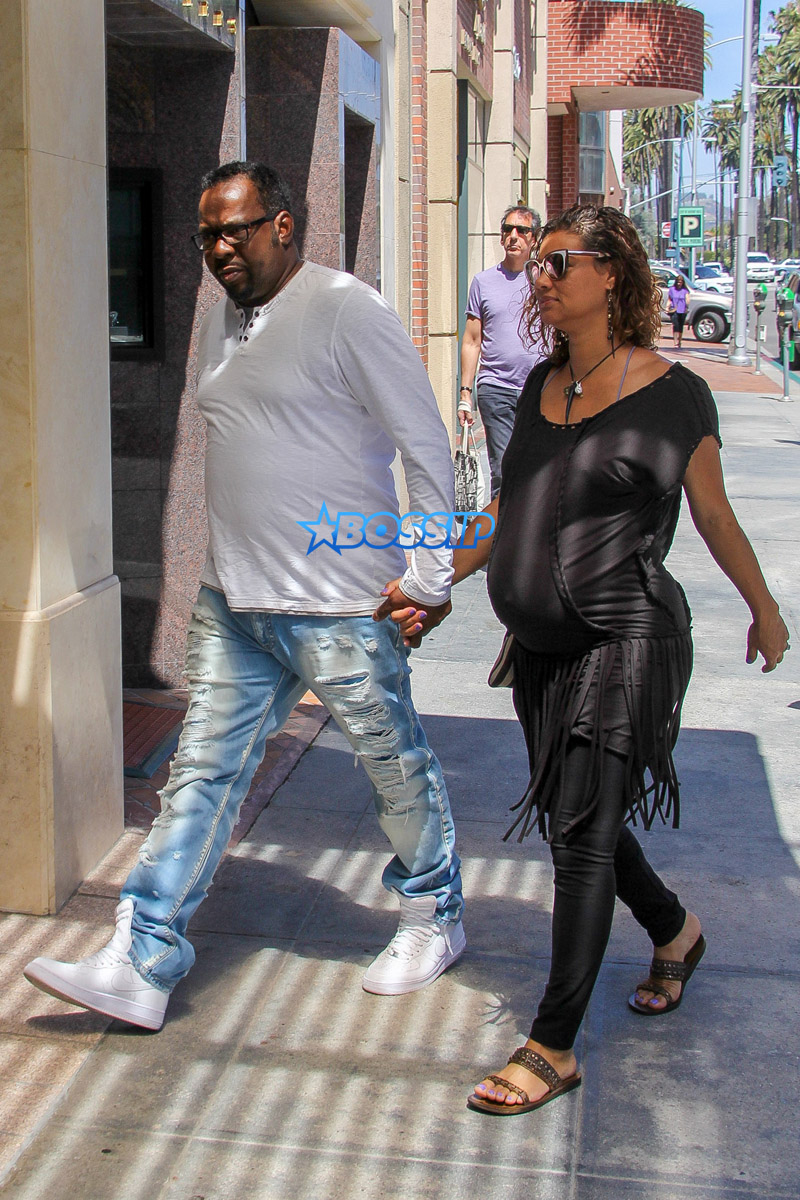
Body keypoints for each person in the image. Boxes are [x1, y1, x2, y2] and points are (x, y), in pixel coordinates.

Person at [24, 161, 465, 1031]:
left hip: (341, 602)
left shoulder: (346, 308)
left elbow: (424, 444)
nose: (219, 248)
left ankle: (433, 912)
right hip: (234, 601)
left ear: (284, 224)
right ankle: (142, 956)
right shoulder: (222, 320)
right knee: (200, 775)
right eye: (206, 237)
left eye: (235, 229)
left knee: (392, 766)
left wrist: (429, 574)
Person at [377, 205, 789, 1116]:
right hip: (542, 653)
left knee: (581, 839)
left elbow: (714, 515)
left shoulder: (676, 395)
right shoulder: (541, 386)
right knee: (580, 824)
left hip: (628, 638)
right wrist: (436, 586)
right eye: (541, 264)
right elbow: (505, 512)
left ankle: (554, 1044)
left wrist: (764, 609)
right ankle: (675, 930)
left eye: (562, 261)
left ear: (613, 274)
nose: (543, 276)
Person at [458, 206, 544, 497]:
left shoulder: (546, 282)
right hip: (496, 389)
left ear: (534, 238)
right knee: (504, 471)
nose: (513, 236)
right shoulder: (483, 282)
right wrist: (465, 394)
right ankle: (503, 526)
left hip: (540, 388)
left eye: (522, 230)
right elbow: (472, 340)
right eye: (508, 229)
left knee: (538, 469)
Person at [667, 273, 689, 348]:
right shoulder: (672, 289)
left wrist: (687, 306)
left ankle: (679, 341)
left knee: (680, 326)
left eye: (680, 282)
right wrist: (667, 307)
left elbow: (687, 299)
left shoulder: (685, 291)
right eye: (678, 282)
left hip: (682, 310)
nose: (679, 284)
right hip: (674, 310)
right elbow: (669, 299)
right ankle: (675, 342)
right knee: (675, 325)